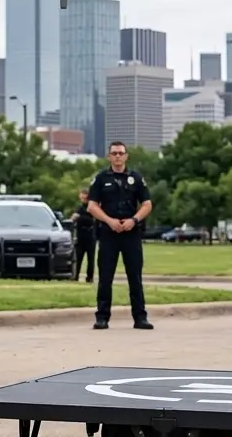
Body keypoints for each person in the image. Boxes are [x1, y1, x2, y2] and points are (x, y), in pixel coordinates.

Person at [86, 141, 154, 330]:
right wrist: (109, 221)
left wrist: (134, 220)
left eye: (121, 153)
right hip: (109, 232)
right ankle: (102, 317)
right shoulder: (100, 179)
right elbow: (92, 206)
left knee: (135, 277)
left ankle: (140, 317)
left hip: (130, 233)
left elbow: (147, 204)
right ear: (109, 156)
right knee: (105, 277)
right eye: (114, 153)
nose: (117, 156)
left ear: (126, 156)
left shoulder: (136, 178)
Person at [69, 187, 97, 282]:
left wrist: (79, 217)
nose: (82, 198)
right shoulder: (80, 208)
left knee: (90, 258)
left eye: (83, 196)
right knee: (78, 257)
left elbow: (91, 220)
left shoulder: (92, 207)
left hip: (90, 235)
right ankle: (75, 275)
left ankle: (90, 277)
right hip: (80, 236)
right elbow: (73, 218)